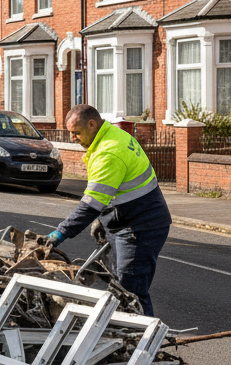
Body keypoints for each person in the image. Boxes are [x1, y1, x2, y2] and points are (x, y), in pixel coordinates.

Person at [45, 104, 172, 316]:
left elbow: (91, 204)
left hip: (139, 227)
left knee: (130, 293)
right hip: (131, 220)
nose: (72, 138)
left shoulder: (109, 151)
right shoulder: (111, 134)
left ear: (92, 124)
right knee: (117, 286)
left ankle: (144, 342)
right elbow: (112, 190)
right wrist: (103, 218)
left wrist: (61, 233)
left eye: (76, 133)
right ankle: (124, 337)